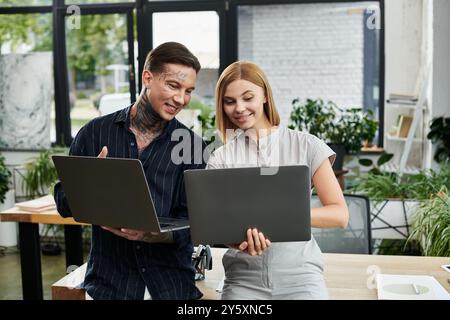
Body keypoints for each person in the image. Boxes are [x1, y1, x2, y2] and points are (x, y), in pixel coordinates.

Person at [54, 42, 206, 300]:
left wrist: (155, 235)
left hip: (171, 289)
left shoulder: (192, 147)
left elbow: (196, 226)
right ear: (148, 77)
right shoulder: (94, 133)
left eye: (188, 90)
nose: (181, 99)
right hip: (110, 287)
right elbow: (64, 204)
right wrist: (90, 184)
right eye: (173, 85)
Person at [207, 61, 349, 300]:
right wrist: (235, 241)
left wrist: (282, 216)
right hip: (243, 279)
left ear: (264, 95)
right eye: (230, 101)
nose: (239, 108)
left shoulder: (307, 145)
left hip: (301, 276)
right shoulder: (220, 158)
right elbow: (216, 226)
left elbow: (339, 215)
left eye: (247, 97)